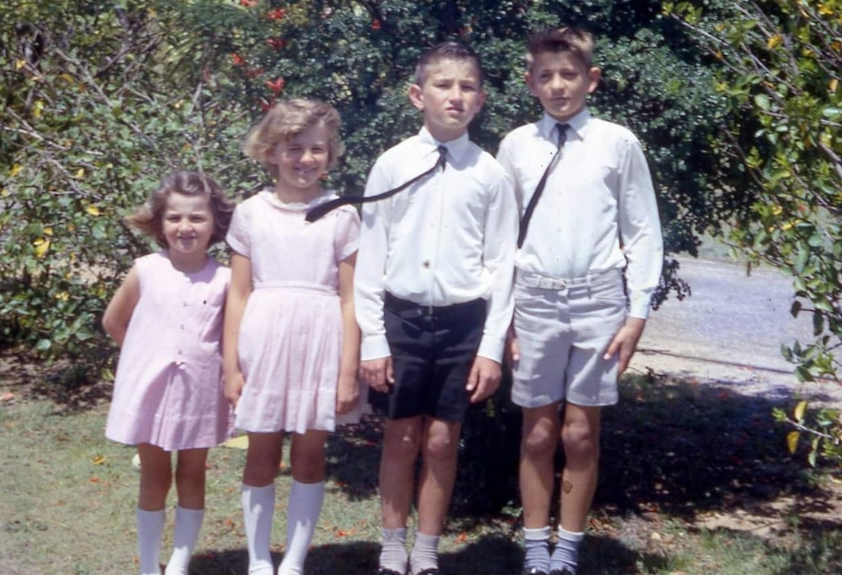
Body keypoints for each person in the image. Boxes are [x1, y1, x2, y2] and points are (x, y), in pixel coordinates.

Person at [497, 27, 664, 575]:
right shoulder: (518, 145)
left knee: (580, 432)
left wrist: (636, 313)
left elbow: (642, 232)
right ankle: (534, 549)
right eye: (545, 75)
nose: (558, 85)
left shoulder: (618, 143)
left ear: (590, 79)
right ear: (530, 82)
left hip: (599, 303)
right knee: (539, 431)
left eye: (569, 74)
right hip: (535, 302)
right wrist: (506, 320)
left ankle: (567, 549)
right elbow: (501, 239)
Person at [354, 42, 518, 575]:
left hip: (461, 324)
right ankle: (391, 548)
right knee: (401, 436)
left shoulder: (489, 174)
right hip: (402, 320)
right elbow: (372, 256)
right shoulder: (393, 163)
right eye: (444, 85)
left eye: (467, 87)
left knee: (444, 438)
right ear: (417, 95)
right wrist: (374, 338)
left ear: (482, 99)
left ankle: (426, 554)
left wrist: (491, 349)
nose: (455, 96)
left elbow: (501, 268)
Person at [223, 98, 363, 575]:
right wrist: (231, 364)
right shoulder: (250, 213)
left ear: (331, 154)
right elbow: (238, 294)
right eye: (293, 149)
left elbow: (350, 299)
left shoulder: (340, 213)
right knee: (261, 451)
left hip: (321, 343)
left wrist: (348, 371)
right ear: (270, 151)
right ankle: (260, 559)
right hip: (263, 341)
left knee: (309, 451)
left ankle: (295, 560)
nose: (306, 160)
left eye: (317, 150)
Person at [103, 170, 235, 575]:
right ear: (160, 222)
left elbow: (231, 338)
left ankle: (178, 564)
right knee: (155, 474)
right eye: (175, 217)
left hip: (199, 391)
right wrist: (140, 358)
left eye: (197, 218)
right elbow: (113, 321)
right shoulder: (146, 269)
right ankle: (148, 565)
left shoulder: (226, 280)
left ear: (215, 223)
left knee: (192, 472)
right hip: (151, 390)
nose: (185, 227)